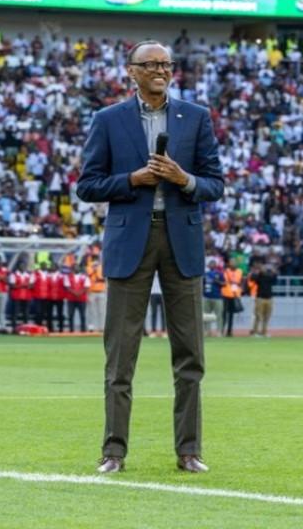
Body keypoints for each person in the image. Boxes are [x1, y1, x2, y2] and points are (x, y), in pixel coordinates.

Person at [77, 39, 224, 475]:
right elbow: (88, 185)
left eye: (166, 64)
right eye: (151, 64)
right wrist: (134, 179)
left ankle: (189, 451)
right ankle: (114, 452)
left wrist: (184, 179)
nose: (160, 70)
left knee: (190, 355)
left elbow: (215, 183)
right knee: (120, 356)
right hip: (130, 242)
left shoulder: (196, 118)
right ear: (132, 71)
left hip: (182, 240)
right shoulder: (108, 120)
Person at [249, 260, 277, 338]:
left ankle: (264, 332)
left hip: (269, 298)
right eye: (263, 268)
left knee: (267, 317)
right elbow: (252, 278)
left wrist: (274, 272)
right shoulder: (259, 277)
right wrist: (259, 272)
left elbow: (275, 280)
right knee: (258, 316)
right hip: (260, 298)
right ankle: (255, 332)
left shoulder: (269, 276)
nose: (264, 269)